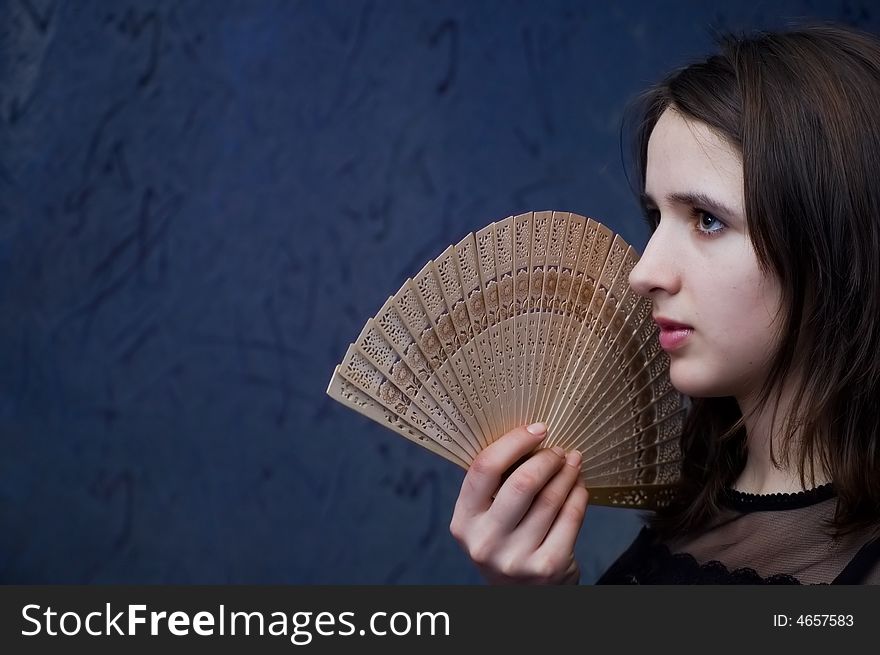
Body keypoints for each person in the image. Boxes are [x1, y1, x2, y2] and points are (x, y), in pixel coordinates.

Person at [448, 23, 880, 585]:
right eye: (656, 217)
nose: (643, 272)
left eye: (707, 220)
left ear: (836, 244)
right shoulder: (691, 512)